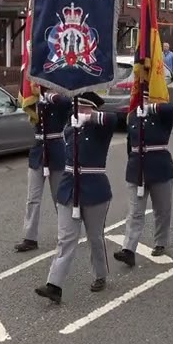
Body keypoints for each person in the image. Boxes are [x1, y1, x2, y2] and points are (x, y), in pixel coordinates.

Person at [35, 92, 118, 304]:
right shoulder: (69, 130)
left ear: (93, 109)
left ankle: (100, 274)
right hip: (69, 189)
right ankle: (54, 285)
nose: (79, 111)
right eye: (77, 108)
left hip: (94, 189)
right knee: (65, 239)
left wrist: (89, 117)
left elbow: (112, 119)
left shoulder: (101, 129)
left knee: (95, 237)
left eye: (84, 108)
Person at [115, 83, 173, 266]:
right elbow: (130, 143)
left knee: (162, 210)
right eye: (142, 98)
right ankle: (128, 249)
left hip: (160, 167)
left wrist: (151, 108)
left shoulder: (161, 115)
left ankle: (160, 242)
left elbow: (171, 109)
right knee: (135, 212)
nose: (144, 101)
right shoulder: (133, 116)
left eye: (148, 97)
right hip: (137, 169)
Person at [15, 86, 71, 253]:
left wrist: (49, 96)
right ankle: (30, 237)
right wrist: (38, 96)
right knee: (32, 198)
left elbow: (67, 103)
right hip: (38, 151)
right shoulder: (36, 99)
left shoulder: (60, 98)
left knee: (59, 197)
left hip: (56, 151)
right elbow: (26, 103)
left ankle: (66, 233)